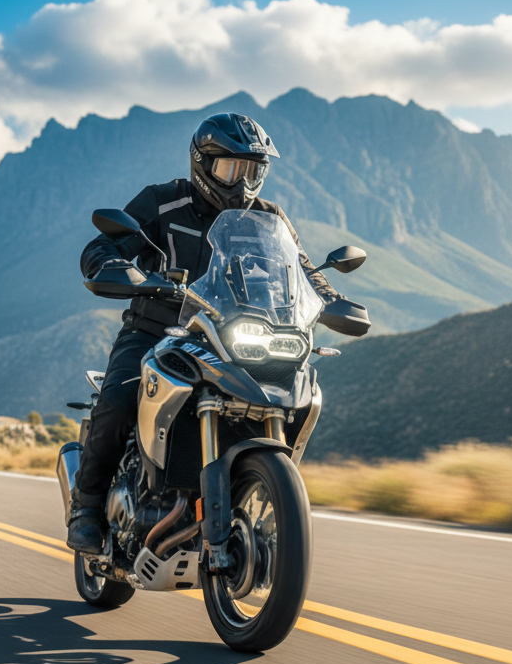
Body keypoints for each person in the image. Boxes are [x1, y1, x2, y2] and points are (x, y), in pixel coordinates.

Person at [67, 112, 339, 553]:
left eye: (252, 170)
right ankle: (87, 506)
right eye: (231, 168)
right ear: (202, 163)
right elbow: (104, 246)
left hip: (229, 337)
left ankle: (259, 498)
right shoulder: (163, 202)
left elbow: (304, 270)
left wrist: (332, 299)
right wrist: (116, 266)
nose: (242, 182)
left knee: (290, 396)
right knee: (119, 399)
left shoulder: (269, 219)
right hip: (157, 332)